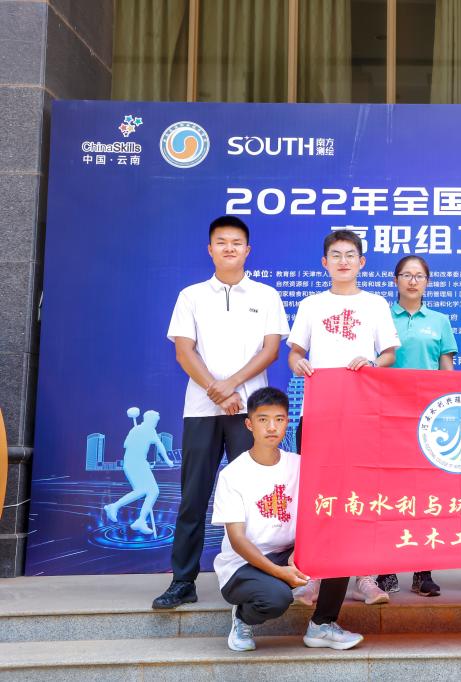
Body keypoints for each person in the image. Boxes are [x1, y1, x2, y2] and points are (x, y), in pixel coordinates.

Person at [154, 215, 289, 610]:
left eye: (236, 242)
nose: (229, 248)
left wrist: (231, 385)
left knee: (254, 495)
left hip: (250, 412)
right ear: (210, 249)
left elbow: (270, 350)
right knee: (193, 498)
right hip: (202, 411)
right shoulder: (191, 295)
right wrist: (216, 391)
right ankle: (183, 581)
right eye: (221, 242)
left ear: (247, 250)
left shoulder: (266, 295)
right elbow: (184, 351)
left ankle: (259, 574)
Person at [288, 229, 400, 605]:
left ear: (361, 262)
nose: (343, 261)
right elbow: (295, 352)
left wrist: (372, 362)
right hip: (319, 414)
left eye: (350, 255)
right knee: (318, 494)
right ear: (325, 262)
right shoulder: (311, 304)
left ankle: (365, 577)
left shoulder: (375, 304)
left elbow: (389, 354)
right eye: (336, 255)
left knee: (365, 492)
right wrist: (298, 363)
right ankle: (316, 575)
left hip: (363, 414)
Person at [212, 387, 362, 652]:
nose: (272, 427)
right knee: (276, 599)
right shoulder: (233, 475)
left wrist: (302, 549)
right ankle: (243, 617)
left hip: (288, 554)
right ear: (249, 424)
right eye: (263, 419)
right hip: (242, 566)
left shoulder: (300, 465)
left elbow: (319, 514)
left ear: (287, 423)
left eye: (279, 419)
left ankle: (322, 625)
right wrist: (280, 573)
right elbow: (237, 540)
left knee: (340, 544)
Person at [376, 255, 458, 597]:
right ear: (395, 280)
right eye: (406, 275)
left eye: (419, 276)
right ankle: (385, 568)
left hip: (427, 419)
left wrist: (449, 413)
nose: (412, 281)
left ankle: (423, 571)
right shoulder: (380, 315)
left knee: (425, 494)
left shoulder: (439, 321)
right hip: (386, 415)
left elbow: (447, 370)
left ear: (427, 281)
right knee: (387, 492)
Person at [104, 409, 174, 534]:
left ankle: (135, 518)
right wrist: (168, 460)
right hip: (136, 463)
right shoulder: (148, 430)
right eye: (155, 421)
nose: (156, 423)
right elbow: (159, 445)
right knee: (150, 491)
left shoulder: (136, 430)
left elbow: (126, 444)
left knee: (147, 491)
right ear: (150, 420)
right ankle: (121, 510)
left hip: (135, 463)